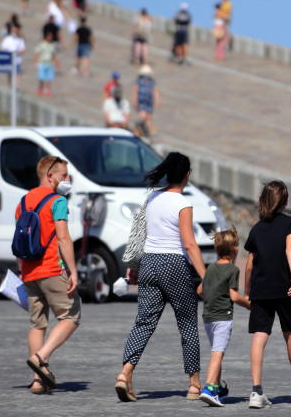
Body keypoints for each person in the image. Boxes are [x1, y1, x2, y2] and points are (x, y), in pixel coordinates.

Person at [116, 153, 208, 402]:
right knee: (187, 323)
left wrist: (135, 265)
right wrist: (206, 276)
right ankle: (194, 384)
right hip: (174, 263)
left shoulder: (152, 198)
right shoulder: (182, 204)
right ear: (187, 175)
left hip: (149, 263)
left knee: (144, 322)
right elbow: (189, 245)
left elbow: (140, 234)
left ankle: (125, 373)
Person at [244, 181, 291, 408]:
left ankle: (256, 392)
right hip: (284, 287)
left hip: (261, 288)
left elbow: (249, 264)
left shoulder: (256, 229)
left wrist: (247, 291)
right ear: (285, 202)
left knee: (259, 335)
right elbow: (290, 249)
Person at [20, 155, 81, 393]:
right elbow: (63, 237)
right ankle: (41, 358)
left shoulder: (24, 201)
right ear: (50, 176)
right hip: (52, 269)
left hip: (28, 271)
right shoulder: (57, 201)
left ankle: (38, 381)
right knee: (71, 316)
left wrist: (22, 270)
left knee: (38, 324)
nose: (66, 180)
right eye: (64, 175)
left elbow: (20, 238)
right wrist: (73, 271)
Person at [197, 227, 250, 407]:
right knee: (217, 354)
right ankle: (209, 388)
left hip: (208, 317)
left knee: (216, 351)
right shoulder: (232, 270)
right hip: (223, 318)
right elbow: (234, 297)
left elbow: (200, 291)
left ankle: (217, 388)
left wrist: (212, 292)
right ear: (235, 250)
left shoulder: (210, 268)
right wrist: (250, 305)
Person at [133, 65, 159, 140]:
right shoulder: (139, 81)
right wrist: (135, 101)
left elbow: (155, 91)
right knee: (142, 117)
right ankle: (139, 131)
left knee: (148, 119)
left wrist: (157, 100)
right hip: (142, 102)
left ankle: (147, 134)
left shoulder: (151, 82)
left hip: (149, 102)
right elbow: (135, 91)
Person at [34, 31, 60, 97]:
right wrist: (36, 62)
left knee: (49, 78)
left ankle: (47, 90)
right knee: (41, 78)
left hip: (50, 64)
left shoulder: (51, 46)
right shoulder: (41, 45)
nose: (51, 37)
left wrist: (57, 63)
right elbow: (37, 53)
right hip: (42, 63)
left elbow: (54, 55)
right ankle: (40, 88)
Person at [0, 23, 25, 88]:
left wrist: (18, 52)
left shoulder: (20, 40)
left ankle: (17, 86)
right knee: (9, 74)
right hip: (9, 59)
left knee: (17, 73)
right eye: (13, 30)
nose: (14, 32)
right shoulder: (7, 39)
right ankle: (10, 85)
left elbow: (23, 50)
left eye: (16, 30)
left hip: (17, 60)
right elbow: (3, 48)